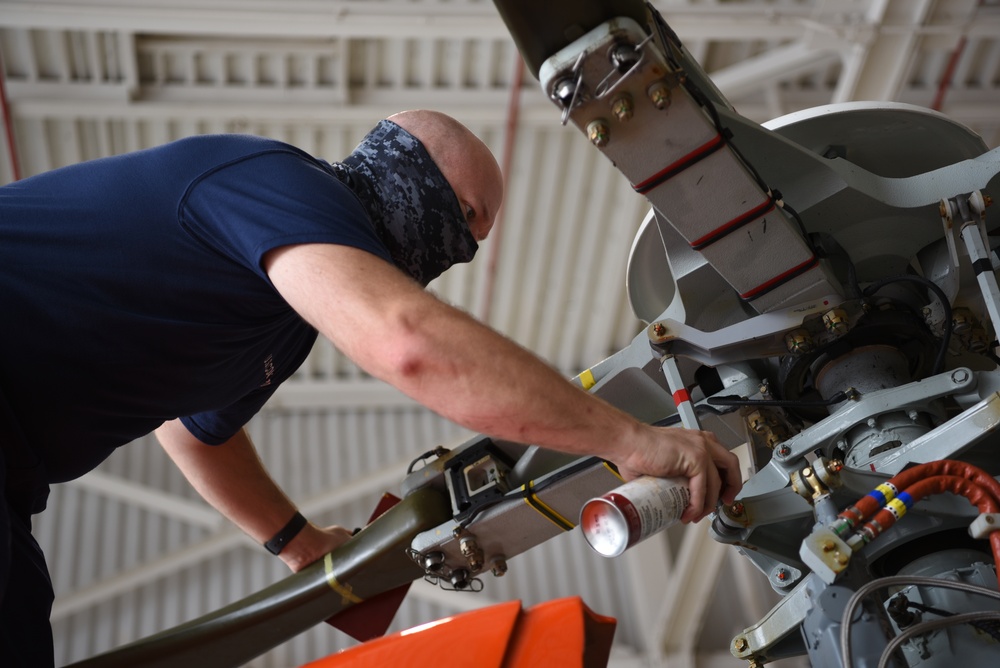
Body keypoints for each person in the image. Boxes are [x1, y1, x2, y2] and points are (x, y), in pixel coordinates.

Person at [0, 109, 741, 665]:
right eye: (467, 219)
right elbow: (409, 343)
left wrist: (296, 545)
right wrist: (631, 441)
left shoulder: (282, 321)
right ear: (411, 169)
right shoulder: (276, 180)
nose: (462, 248)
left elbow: (192, 430)